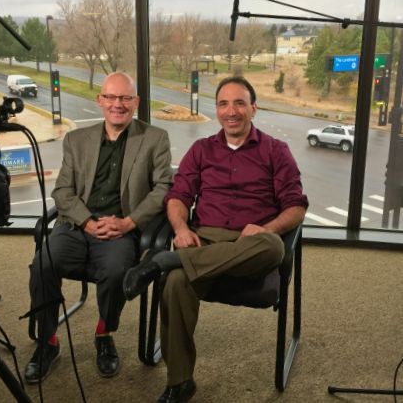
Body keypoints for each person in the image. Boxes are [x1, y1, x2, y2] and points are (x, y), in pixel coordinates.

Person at [123, 76, 308, 402]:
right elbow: (178, 197)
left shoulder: (275, 151)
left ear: (254, 108)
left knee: (274, 246)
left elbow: (295, 207)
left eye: (239, 103)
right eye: (223, 103)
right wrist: (181, 230)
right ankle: (180, 381)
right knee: (176, 283)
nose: (231, 111)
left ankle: (167, 261)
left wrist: (268, 229)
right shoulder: (201, 150)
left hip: (251, 245)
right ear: (217, 109)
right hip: (204, 241)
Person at [25, 72, 173, 383]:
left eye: (125, 98)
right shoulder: (77, 140)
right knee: (42, 266)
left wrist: (128, 222)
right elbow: (63, 191)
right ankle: (48, 341)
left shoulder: (154, 138)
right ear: (100, 100)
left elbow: (163, 189)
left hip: (121, 227)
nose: (117, 104)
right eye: (110, 97)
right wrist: (88, 223)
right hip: (77, 224)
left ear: (135, 102)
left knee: (117, 270)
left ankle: (105, 332)